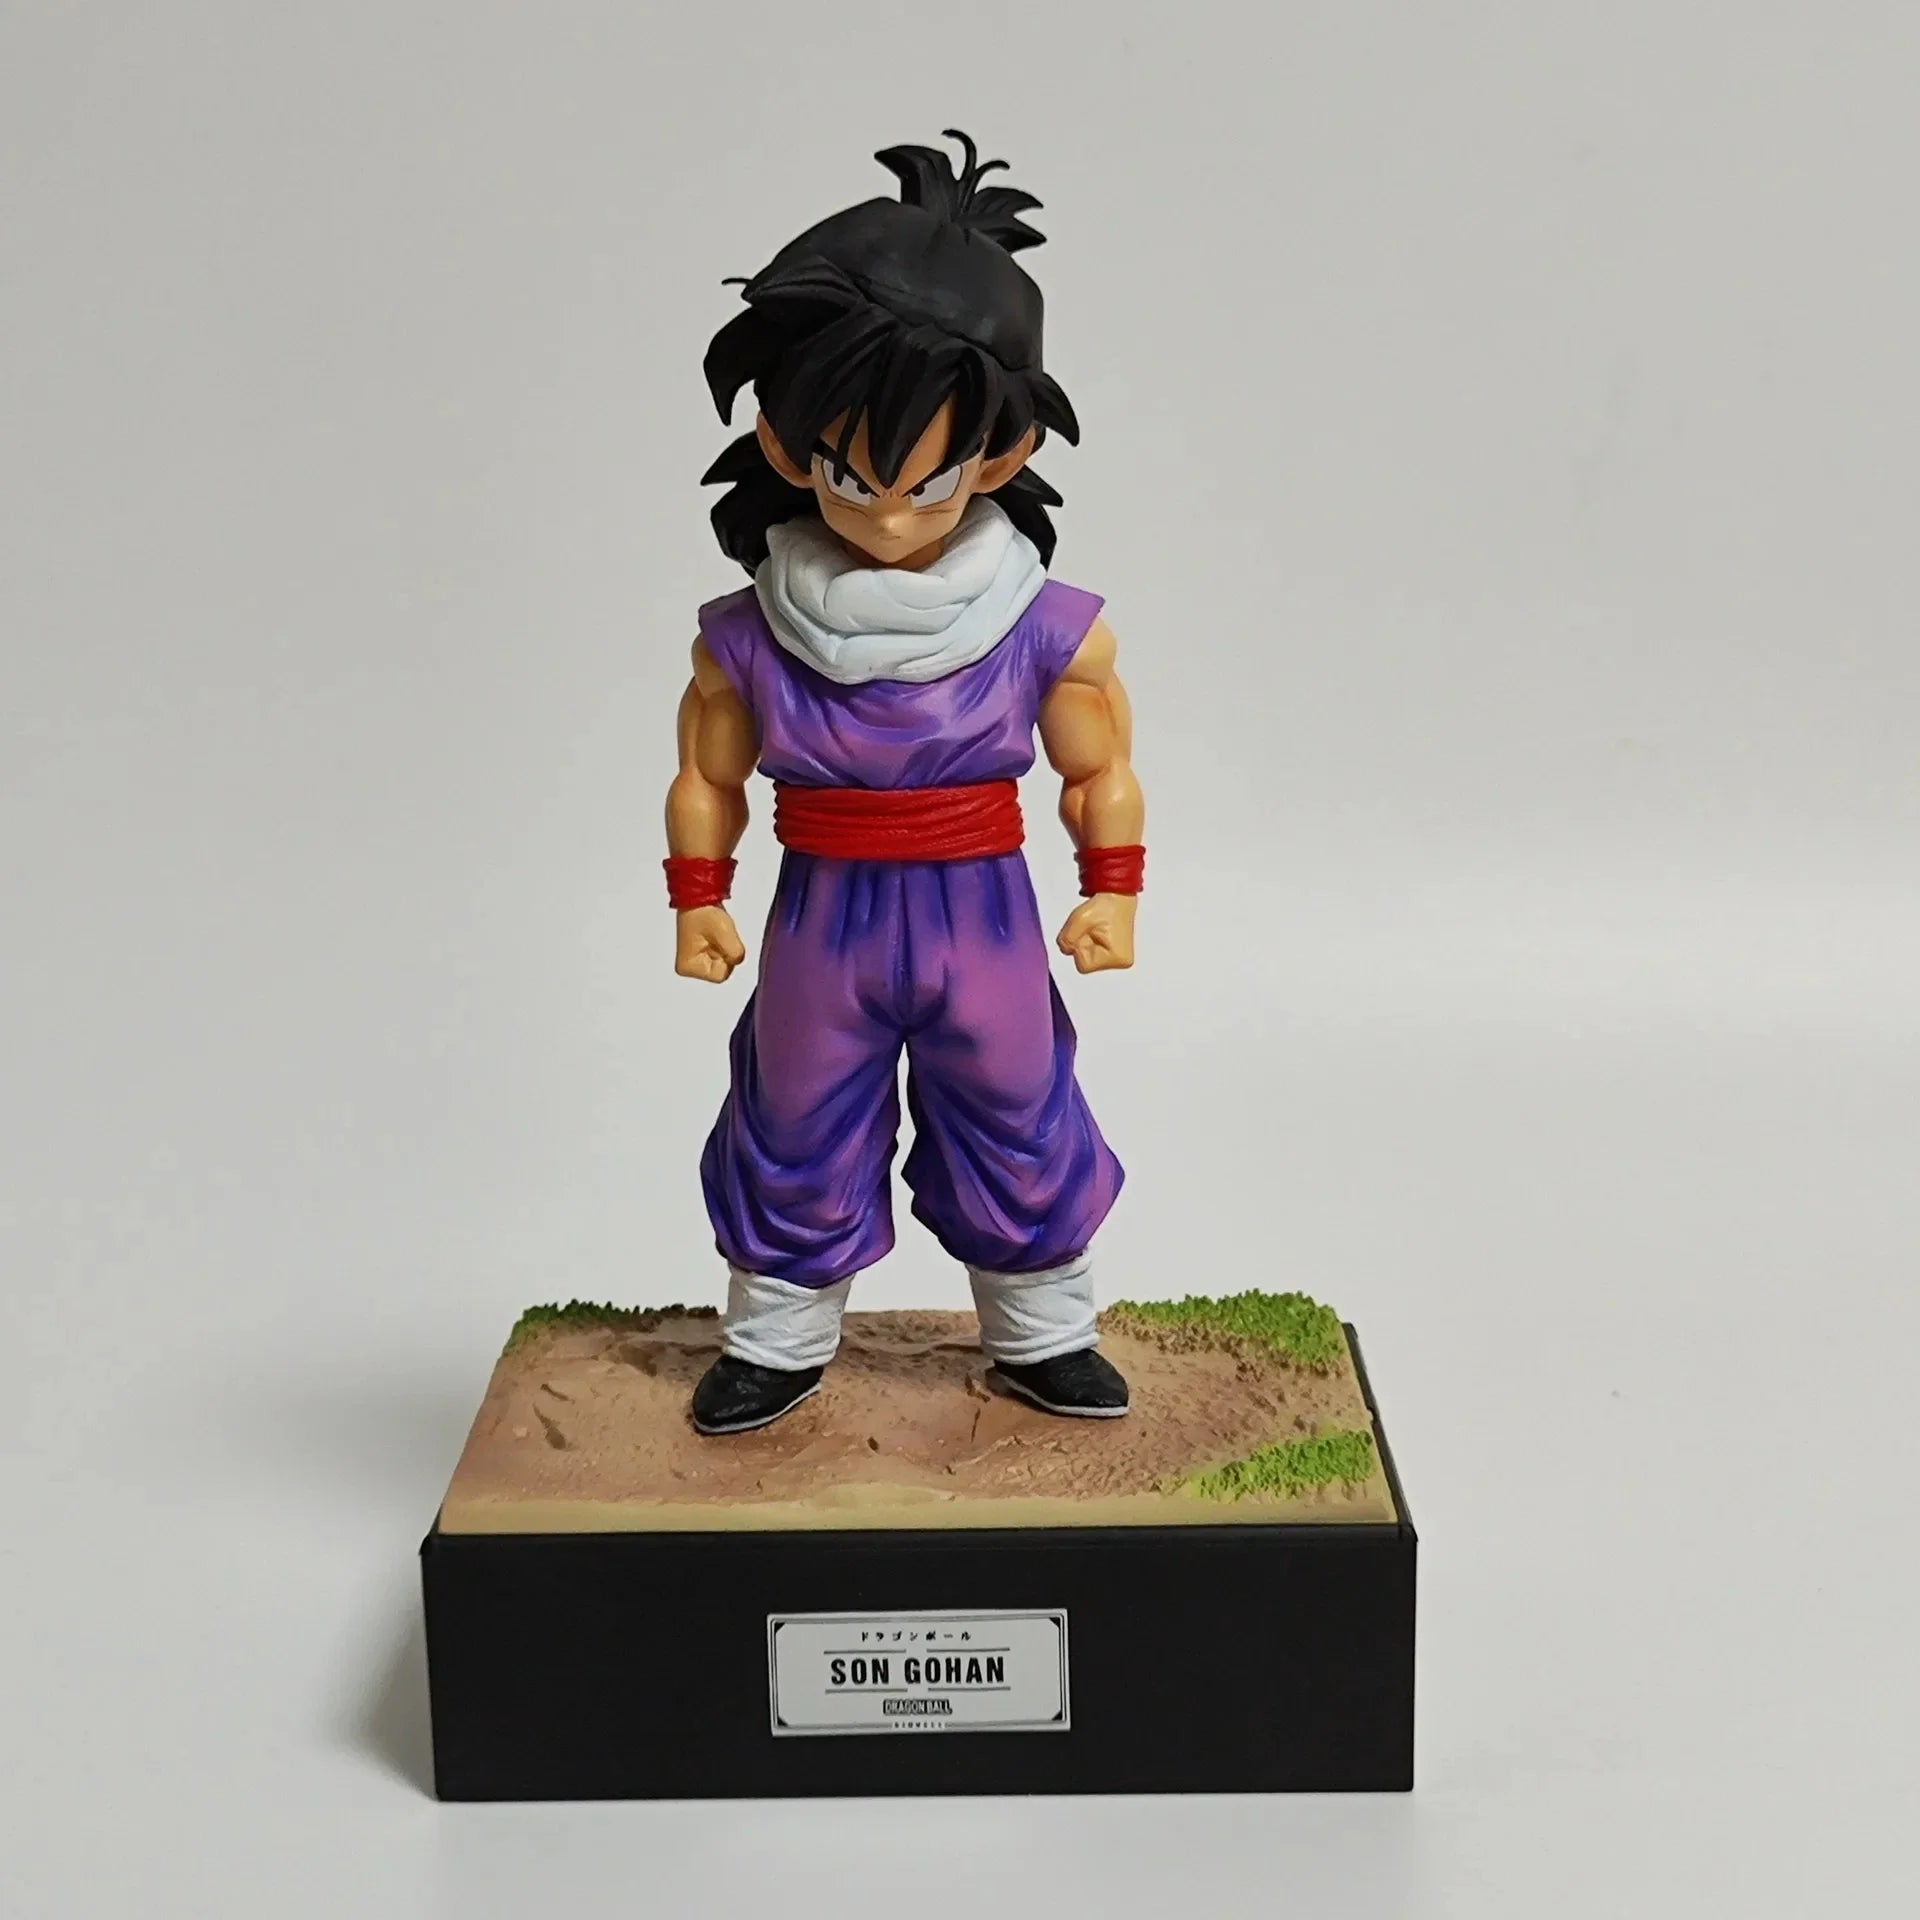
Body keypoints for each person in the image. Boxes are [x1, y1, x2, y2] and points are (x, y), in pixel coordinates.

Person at [665, 132, 1147, 1435]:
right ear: (784, 443)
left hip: (979, 908)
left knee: (1017, 1105)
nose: (883, 514)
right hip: (823, 911)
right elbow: (705, 769)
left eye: (923, 480)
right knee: (794, 1112)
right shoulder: (749, 635)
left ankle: (1043, 1330)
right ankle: (776, 1337)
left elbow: (1099, 763)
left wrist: (1113, 889)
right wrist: (697, 897)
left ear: (1001, 451)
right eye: (847, 473)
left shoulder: (1048, 627)